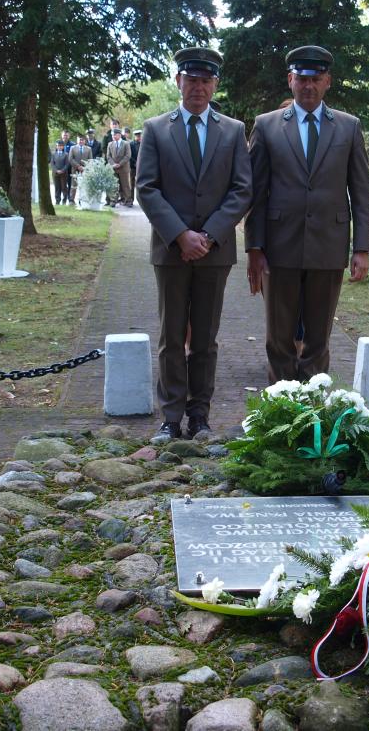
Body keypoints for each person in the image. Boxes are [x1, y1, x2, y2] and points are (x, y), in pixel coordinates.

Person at [136, 47, 252, 442]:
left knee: (205, 338)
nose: (198, 87)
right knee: (171, 336)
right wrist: (180, 235)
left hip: (215, 253)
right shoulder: (156, 129)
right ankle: (170, 417)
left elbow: (242, 189)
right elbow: (146, 188)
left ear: (214, 85)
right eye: (191, 80)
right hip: (170, 250)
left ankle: (200, 415)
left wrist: (209, 235)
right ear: (178, 81)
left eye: (205, 81)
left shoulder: (233, 131)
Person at [245, 45, 369, 382]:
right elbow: (256, 194)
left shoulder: (348, 127)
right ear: (291, 80)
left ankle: (313, 404)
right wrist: (254, 247)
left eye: (316, 79)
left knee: (319, 339)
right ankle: (280, 403)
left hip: (328, 245)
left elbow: (361, 192)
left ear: (327, 81)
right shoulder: (266, 126)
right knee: (279, 338)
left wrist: (362, 248)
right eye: (302, 79)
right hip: (279, 247)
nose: (308, 86)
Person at [107, 127, 133, 207]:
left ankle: (128, 200)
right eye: (112, 135)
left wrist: (120, 164)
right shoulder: (110, 144)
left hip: (123, 168)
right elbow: (108, 156)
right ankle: (113, 201)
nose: (113, 136)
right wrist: (113, 164)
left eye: (114, 135)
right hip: (114, 168)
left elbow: (128, 155)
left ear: (119, 135)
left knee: (125, 185)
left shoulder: (126, 144)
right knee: (114, 185)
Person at [68, 134, 93, 205]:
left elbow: (90, 160)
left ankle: (82, 200)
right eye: (79, 140)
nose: (81, 141)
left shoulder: (88, 149)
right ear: (77, 140)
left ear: (85, 141)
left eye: (82, 140)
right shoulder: (73, 148)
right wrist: (78, 166)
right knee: (74, 185)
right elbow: (70, 159)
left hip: (85, 170)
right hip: (75, 169)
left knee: (84, 185)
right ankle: (71, 200)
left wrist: (85, 168)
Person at [50, 139, 70, 205]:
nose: (59, 147)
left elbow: (67, 164)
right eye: (58, 146)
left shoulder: (66, 154)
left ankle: (64, 201)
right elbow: (52, 164)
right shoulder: (53, 154)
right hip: (55, 174)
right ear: (56, 146)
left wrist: (62, 170)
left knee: (64, 187)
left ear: (63, 147)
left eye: (61, 146)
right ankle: (57, 200)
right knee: (57, 187)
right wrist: (56, 170)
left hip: (63, 173)